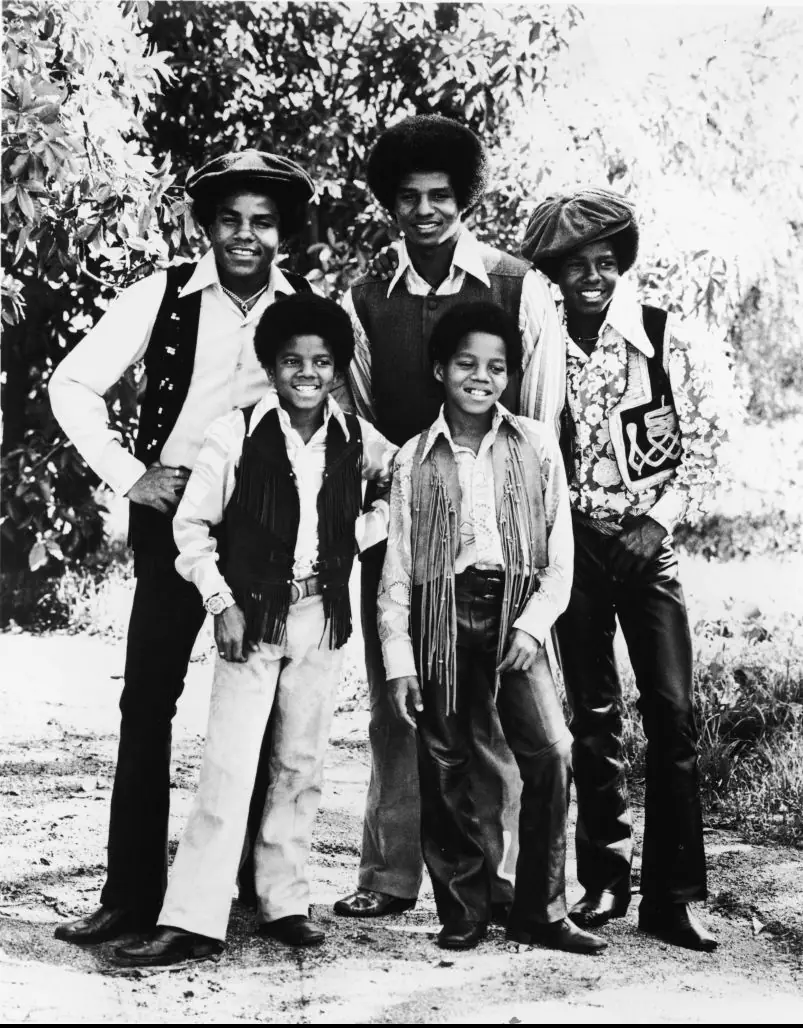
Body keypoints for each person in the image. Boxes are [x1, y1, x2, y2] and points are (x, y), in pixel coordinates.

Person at [48, 150, 316, 945]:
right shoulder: (160, 294)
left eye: (262, 221)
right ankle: (130, 894)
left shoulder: (297, 308)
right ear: (205, 225)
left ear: (282, 232)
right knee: (148, 703)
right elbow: (71, 385)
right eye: (229, 219)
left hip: (265, 541)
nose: (245, 234)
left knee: (260, 714)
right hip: (173, 530)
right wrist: (131, 475)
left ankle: (257, 892)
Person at [112, 294, 397, 966]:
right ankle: (192, 917)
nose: (306, 372)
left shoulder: (356, 437)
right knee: (232, 764)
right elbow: (190, 526)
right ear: (270, 366)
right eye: (292, 360)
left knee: (299, 762)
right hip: (253, 618)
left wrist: (358, 535)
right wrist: (221, 602)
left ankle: (283, 901)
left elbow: (398, 479)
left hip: (318, 617)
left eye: (321, 361)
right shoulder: (234, 431)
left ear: (336, 368)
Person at [334, 114, 565, 920]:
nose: (425, 211)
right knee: (399, 705)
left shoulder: (515, 284)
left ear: (463, 198)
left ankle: (495, 884)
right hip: (402, 527)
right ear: (389, 204)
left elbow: (537, 419)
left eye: (440, 195)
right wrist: (405, 478)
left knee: (498, 712)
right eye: (408, 197)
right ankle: (390, 875)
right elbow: (353, 415)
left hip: (499, 536)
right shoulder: (364, 300)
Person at [520, 187, 731, 952]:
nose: (591, 278)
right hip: (573, 548)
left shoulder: (661, 336)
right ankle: (604, 878)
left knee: (670, 713)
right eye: (574, 266)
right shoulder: (539, 344)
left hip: (647, 548)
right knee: (592, 716)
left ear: (622, 264)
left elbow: (710, 441)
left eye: (604, 263)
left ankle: (673, 898)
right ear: (553, 272)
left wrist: (656, 521)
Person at [377, 300, 605, 954]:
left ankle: (540, 907)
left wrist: (533, 628)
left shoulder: (535, 444)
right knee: (444, 758)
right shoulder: (412, 458)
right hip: (441, 610)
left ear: (510, 375)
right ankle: (463, 908)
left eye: (496, 367)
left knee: (550, 749)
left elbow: (558, 557)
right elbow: (397, 567)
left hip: (515, 607)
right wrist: (398, 658)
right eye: (467, 364)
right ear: (440, 369)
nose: (481, 376)